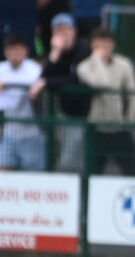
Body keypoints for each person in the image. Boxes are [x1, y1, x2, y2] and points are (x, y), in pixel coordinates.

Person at [28, 13, 92, 173]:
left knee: (73, 160)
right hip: (66, 111)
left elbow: (77, 78)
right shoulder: (57, 52)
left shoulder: (83, 49)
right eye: (58, 32)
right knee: (67, 155)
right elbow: (43, 79)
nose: (62, 35)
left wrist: (48, 82)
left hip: (86, 113)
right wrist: (54, 55)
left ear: (74, 31)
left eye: (66, 31)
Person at [77, 28, 135, 176]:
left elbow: (133, 94)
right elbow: (102, 82)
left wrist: (129, 121)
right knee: (94, 170)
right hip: (96, 128)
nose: (103, 48)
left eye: (106, 44)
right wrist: (98, 60)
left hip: (119, 127)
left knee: (132, 170)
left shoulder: (124, 64)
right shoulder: (84, 67)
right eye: (98, 45)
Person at [0, 34, 46, 172]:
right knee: (3, 171)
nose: (15, 55)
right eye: (11, 51)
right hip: (9, 132)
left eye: (18, 50)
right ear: (5, 52)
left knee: (33, 175)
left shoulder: (35, 70)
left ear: (26, 51)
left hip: (32, 133)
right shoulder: (1, 69)